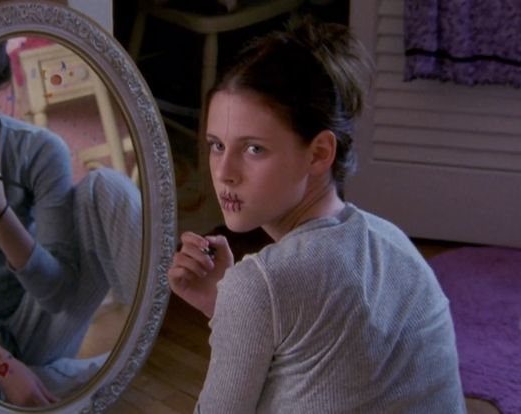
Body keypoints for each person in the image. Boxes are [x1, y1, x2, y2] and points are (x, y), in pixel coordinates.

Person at [167, 17, 466, 413]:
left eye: (254, 148)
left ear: (320, 153)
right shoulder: (394, 242)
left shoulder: (261, 284)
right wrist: (223, 310)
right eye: (217, 145)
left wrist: (240, 300)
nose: (224, 173)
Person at [0, 41, 141, 407]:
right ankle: (63, 383)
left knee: (110, 187)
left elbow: (57, 295)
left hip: (41, 323)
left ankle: (142, 350)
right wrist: (2, 367)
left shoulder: (38, 149)